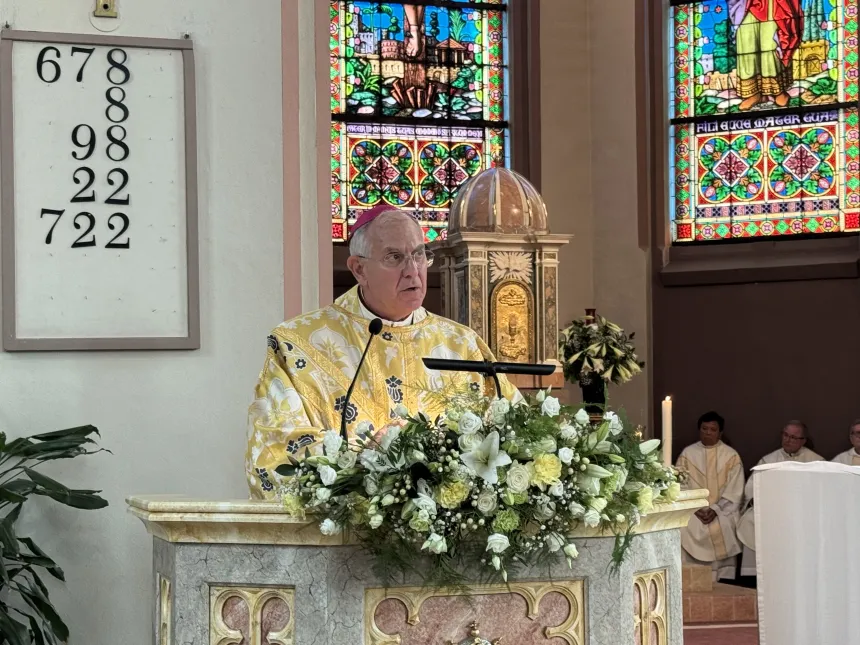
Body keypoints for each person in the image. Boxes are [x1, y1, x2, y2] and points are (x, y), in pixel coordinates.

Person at [245, 205, 519, 499]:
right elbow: (274, 446)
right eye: (395, 257)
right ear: (359, 269)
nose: (412, 270)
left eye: (419, 254)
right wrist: (366, 456)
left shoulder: (463, 344)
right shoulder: (295, 343)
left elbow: (514, 430)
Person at [737, 420, 823, 576]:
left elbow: (820, 493)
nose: (788, 440)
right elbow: (752, 490)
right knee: (751, 522)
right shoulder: (768, 460)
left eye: (793, 437)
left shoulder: (815, 462)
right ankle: (757, 577)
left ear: (803, 441)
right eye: (785, 435)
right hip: (772, 512)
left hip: (801, 514)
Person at [675, 411, 745, 581]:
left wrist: (714, 509)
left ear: (720, 433)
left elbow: (735, 490)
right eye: (704, 428)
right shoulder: (687, 454)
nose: (707, 432)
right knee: (685, 526)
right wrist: (697, 508)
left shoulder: (731, 456)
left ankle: (722, 580)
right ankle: (691, 578)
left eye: (712, 429)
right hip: (694, 511)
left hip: (721, 512)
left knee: (726, 524)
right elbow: (680, 484)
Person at [727, 0, 803, 110]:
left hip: (773, 3)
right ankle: (753, 93)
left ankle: (778, 90)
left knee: (770, 42)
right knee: (746, 43)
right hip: (745, 3)